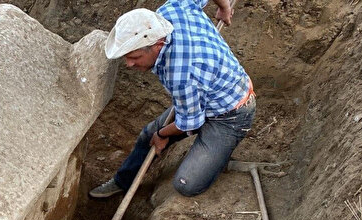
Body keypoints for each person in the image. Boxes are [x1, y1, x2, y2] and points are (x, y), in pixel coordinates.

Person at [90, 0, 255, 199]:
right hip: (202, 94)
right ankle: (122, 181)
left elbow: (190, 124)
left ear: (158, 45)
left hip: (231, 113)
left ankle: (216, 155)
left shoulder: (181, 74)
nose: (128, 64)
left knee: (186, 184)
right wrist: (224, 7)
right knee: (146, 136)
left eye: (134, 57)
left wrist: (161, 134)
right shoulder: (171, 10)